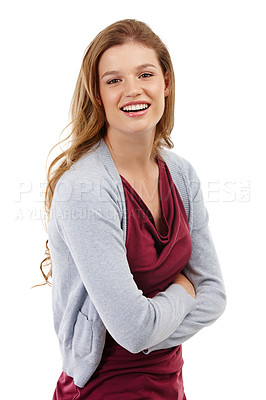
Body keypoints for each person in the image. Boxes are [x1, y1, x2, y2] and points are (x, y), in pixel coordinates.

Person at [41, 19, 226, 400]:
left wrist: (146, 325)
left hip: (169, 384)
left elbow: (215, 295)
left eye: (145, 73)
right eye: (113, 80)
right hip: (102, 388)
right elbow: (134, 330)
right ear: (97, 93)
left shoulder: (181, 174)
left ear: (166, 83)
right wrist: (183, 288)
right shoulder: (85, 189)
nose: (132, 90)